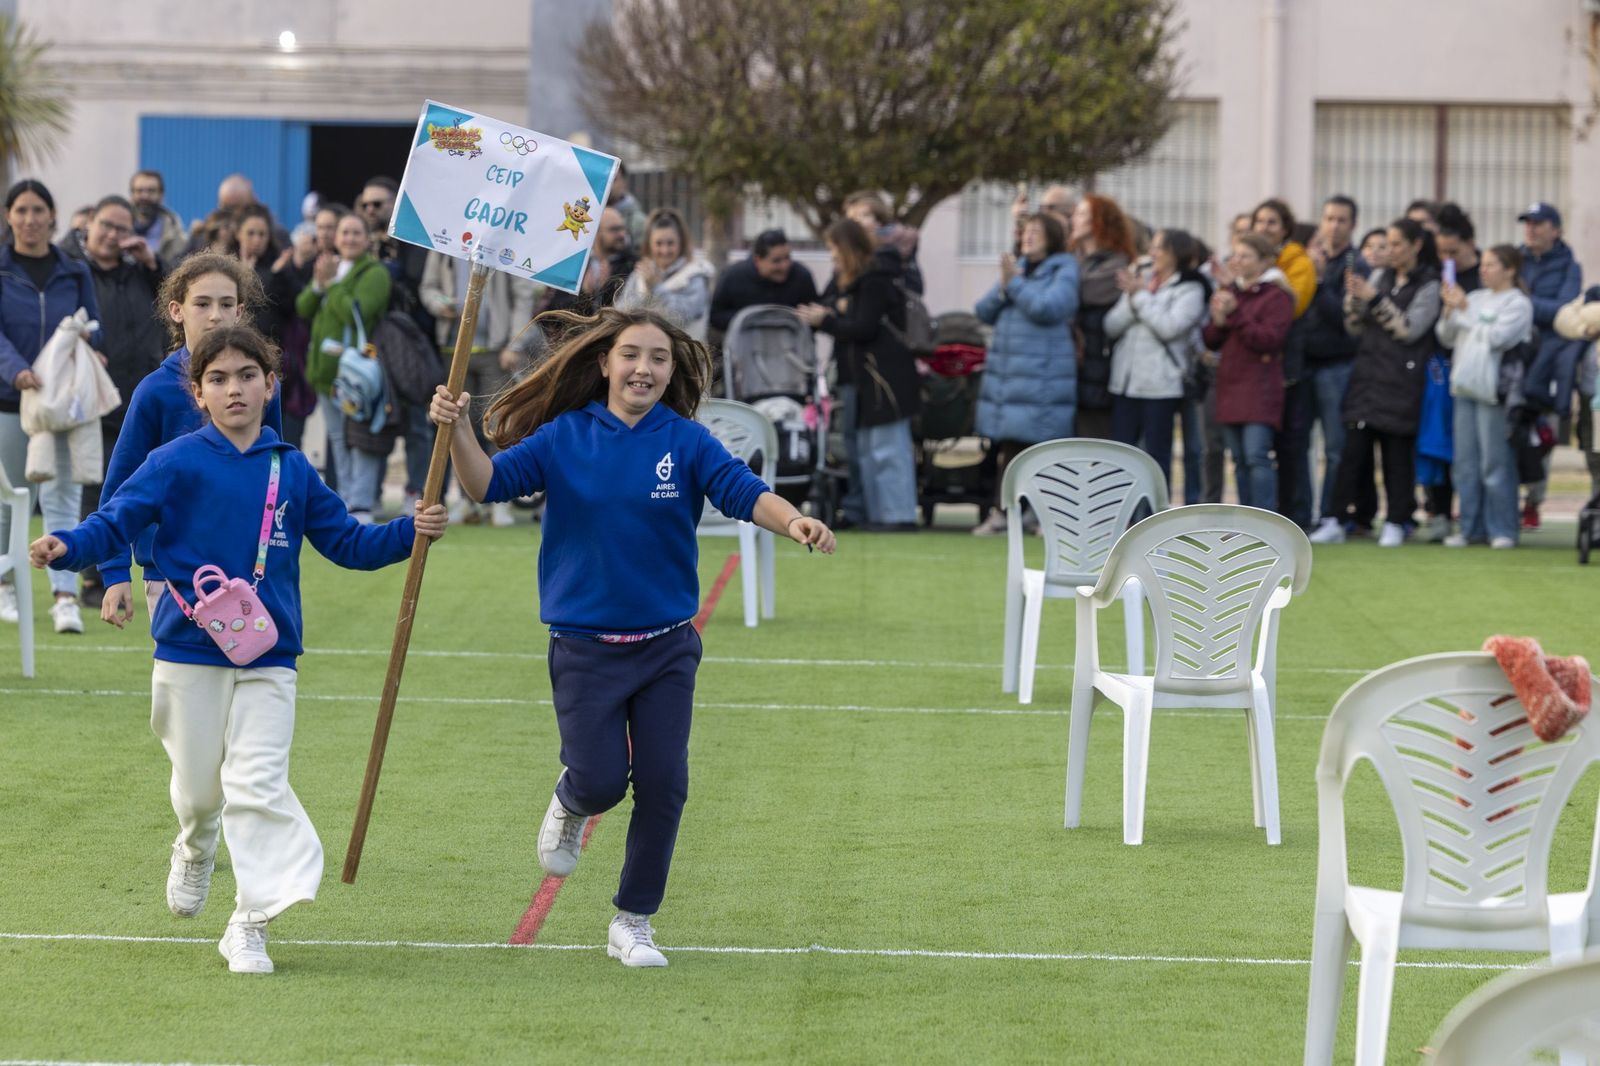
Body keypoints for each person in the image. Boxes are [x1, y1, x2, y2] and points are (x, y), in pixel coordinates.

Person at [31, 323, 446, 975]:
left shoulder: (293, 467)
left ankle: (248, 923)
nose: (234, 389)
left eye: (247, 376)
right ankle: (195, 848)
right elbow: (117, 519)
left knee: (258, 784)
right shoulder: (173, 462)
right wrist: (70, 546)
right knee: (199, 795)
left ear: (270, 384)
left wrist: (410, 532)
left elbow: (349, 543)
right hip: (188, 652)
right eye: (218, 379)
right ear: (197, 392)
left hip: (268, 657)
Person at [427, 306, 834, 968]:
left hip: (667, 646)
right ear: (605, 363)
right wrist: (459, 429)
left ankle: (634, 920)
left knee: (666, 781)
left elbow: (743, 490)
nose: (644, 367)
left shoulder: (688, 441)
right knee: (601, 781)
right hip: (585, 648)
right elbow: (488, 483)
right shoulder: (564, 436)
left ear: (671, 372)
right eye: (632, 355)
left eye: (658, 358)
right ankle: (571, 799)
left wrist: (795, 522)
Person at [96, 252, 280, 629]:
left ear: (240, 312)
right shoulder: (155, 391)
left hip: (249, 570)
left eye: (226, 304)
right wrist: (115, 572)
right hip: (171, 577)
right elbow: (120, 486)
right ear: (177, 310)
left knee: (255, 677)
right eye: (203, 303)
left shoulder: (260, 385)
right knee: (186, 684)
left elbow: (274, 473)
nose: (215, 315)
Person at [0, 179, 105, 633]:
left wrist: (90, 348)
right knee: (9, 500)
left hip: (61, 406)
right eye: (21, 210)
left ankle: (64, 595)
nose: (29, 218)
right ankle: (5, 586)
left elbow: (92, 325)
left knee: (61, 499)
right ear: (9, 216)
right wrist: (15, 369)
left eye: (38, 209)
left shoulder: (75, 270)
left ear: (52, 215)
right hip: (9, 400)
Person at [1312, 218, 1442, 548]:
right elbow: (1355, 328)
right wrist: (1353, 302)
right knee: (1350, 453)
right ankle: (1337, 518)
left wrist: (1373, 299)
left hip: (1403, 381)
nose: (1390, 251)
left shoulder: (1428, 285)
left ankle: (1397, 520)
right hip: (1367, 378)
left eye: (1397, 244)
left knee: (1397, 456)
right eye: (1387, 244)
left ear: (1416, 246)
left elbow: (1409, 329)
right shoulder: (1380, 277)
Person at [798, 219, 921, 530]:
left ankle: (899, 516)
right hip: (866, 380)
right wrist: (831, 312)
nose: (832, 257)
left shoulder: (875, 279)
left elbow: (863, 327)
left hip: (887, 379)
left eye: (835, 249)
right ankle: (879, 515)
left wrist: (826, 320)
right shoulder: (847, 280)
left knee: (888, 449)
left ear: (849, 248)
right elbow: (831, 307)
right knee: (867, 449)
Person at [77, 195, 169, 606]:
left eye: (122, 228)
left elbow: (173, 303)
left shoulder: (139, 273)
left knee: (147, 486)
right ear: (89, 225)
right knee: (97, 487)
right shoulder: (75, 272)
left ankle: (157, 570)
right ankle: (94, 578)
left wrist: (152, 264)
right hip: (94, 396)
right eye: (106, 225)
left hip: (139, 394)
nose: (113, 235)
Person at [969, 211, 1080, 536]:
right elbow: (982, 311)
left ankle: (1046, 515)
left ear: (1052, 237)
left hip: (1042, 377)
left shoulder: (1064, 268)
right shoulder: (1016, 270)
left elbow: (1051, 308)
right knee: (1010, 449)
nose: (1026, 237)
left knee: (1044, 450)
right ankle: (1006, 513)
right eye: (1024, 232)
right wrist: (1006, 284)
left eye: (1035, 232)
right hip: (1010, 376)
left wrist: (1014, 284)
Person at [419, 249, 544, 525]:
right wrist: (440, 304)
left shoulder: (504, 243)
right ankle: (467, 501)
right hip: (452, 349)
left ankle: (500, 501)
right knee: (459, 426)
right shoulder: (445, 243)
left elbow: (522, 295)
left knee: (496, 425)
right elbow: (428, 288)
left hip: (496, 350)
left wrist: (515, 343)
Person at [1435, 244, 1533, 549]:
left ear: (1510, 269)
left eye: (1491, 265)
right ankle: (1470, 527)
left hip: (1494, 391)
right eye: (1484, 264)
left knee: (1495, 462)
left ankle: (1503, 528)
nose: (1483, 269)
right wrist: (1450, 312)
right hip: (1464, 387)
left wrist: (1464, 311)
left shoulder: (1518, 303)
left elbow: (1497, 338)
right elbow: (1446, 336)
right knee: (1465, 463)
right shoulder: (1475, 298)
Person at [295, 211, 391, 520]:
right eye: (344, 232)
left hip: (356, 375)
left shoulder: (375, 273)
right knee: (338, 438)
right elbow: (303, 308)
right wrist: (319, 285)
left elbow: (356, 313)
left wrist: (333, 284)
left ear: (367, 239)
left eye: (355, 233)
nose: (349, 238)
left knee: (360, 437)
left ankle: (362, 501)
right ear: (335, 237)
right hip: (326, 375)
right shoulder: (330, 267)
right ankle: (348, 497)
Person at [1104, 228, 1210, 484]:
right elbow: (1110, 325)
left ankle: (1154, 518)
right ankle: (1124, 518)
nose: (1152, 253)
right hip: (1125, 383)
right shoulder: (1141, 280)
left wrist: (1139, 297)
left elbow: (1170, 327)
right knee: (1121, 456)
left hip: (1160, 386)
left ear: (1176, 253)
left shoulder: (1190, 289)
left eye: (1159, 248)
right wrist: (1134, 301)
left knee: (1155, 457)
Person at [1202, 232, 1294, 510]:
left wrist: (1235, 314)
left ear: (1265, 261)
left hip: (1260, 387)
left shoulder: (1276, 295)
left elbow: (1269, 339)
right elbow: (1210, 340)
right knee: (1239, 459)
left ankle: (1265, 519)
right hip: (1230, 385)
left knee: (1256, 456)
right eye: (1235, 255)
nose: (1237, 261)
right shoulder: (1231, 293)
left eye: (1245, 256)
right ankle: (1244, 519)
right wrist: (1218, 321)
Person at [1414, 202, 1483, 542]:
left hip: (1476, 373)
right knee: (1437, 443)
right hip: (1440, 370)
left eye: (1453, 251)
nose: (1447, 259)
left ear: (1471, 243)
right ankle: (1438, 512)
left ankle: (1476, 517)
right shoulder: (1437, 274)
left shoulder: (1487, 274)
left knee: (1471, 451)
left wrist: (1462, 306)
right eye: (1442, 252)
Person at [1515, 201, 1585, 532]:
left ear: (1556, 230)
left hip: (1549, 362)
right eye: (1528, 223)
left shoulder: (1570, 267)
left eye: (1539, 223)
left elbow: (1564, 313)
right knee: (1509, 432)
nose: (1531, 229)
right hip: (1514, 358)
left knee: (1540, 437)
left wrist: (1523, 303)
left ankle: (1534, 500)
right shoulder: (1513, 260)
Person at [1302, 195, 1367, 533]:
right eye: (1328, 218)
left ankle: (1331, 515)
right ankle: (1301, 514)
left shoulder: (1356, 264)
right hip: (1303, 364)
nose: (1334, 226)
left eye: (1341, 219)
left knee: (1335, 447)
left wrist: (1320, 281)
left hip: (1337, 366)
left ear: (1353, 224)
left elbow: (1346, 321)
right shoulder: (1310, 258)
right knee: (1300, 445)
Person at [1068, 193, 1138, 441]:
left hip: (1099, 367)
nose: (1074, 219)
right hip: (1072, 367)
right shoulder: (1072, 261)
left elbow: (1080, 291)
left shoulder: (1117, 264)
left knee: (1094, 444)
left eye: (1083, 214)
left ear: (1101, 221)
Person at [707, 228, 818, 346]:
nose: (785, 266)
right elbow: (715, 316)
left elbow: (815, 320)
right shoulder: (733, 276)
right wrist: (752, 319)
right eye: (777, 261)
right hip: (745, 353)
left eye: (787, 258)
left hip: (791, 353)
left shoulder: (802, 276)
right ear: (757, 260)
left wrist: (802, 318)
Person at [616, 208, 715, 340]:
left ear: (681, 243)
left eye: (670, 243)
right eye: (659, 243)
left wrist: (656, 289)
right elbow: (621, 312)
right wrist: (645, 292)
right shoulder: (640, 274)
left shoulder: (695, 274)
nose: (665, 250)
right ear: (649, 245)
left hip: (684, 354)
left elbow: (683, 316)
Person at [545, 206, 636, 318]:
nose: (622, 235)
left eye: (623, 228)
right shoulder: (576, 262)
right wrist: (585, 293)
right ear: (596, 232)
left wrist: (605, 288)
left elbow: (627, 310)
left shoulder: (632, 264)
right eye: (614, 229)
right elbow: (556, 310)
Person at [843, 190, 923, 295]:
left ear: (879, 219)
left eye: (864, 215)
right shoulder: (849, 247)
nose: (857, 221)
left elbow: (913, 285)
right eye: (852, 218)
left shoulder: (896, 244)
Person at [129, 169, 189, 266]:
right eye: (139, 191)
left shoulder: (175, 233)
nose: (145, 196)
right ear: (131, 195)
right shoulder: (120, 228)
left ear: (161, 195)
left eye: (151, 191)